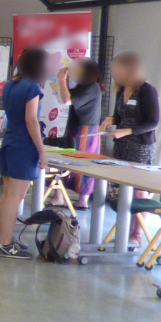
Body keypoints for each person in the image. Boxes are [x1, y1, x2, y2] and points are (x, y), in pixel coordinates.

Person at [0, 48, 50, 260]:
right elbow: (31, 120)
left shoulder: (11, 84)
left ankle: (6, 239)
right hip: (23, 146)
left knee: (8, 195)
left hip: (10, 142)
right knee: (15, 197)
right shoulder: (32, 87)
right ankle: (5, 243)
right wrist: (41, 150)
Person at [101, 51, 160, 244]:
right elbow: (120, 115)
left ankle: (136, 234)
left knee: (138, 192)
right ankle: (123, 232)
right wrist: (111, 119)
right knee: (123, 191)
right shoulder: (121, 89)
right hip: (121, 145)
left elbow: (153, 122)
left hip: (139, 146)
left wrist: (127, 131)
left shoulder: (147, 90)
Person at [52, 58, 105, 210]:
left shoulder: (92, 87)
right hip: (75, 128)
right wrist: (64, 82)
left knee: (83, 164)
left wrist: (61, 80)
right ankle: (59, 196)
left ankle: (82, 200)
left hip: (85, 130)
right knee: (64, 161)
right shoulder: (82, 87)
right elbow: (64, 98)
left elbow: (67, 101)